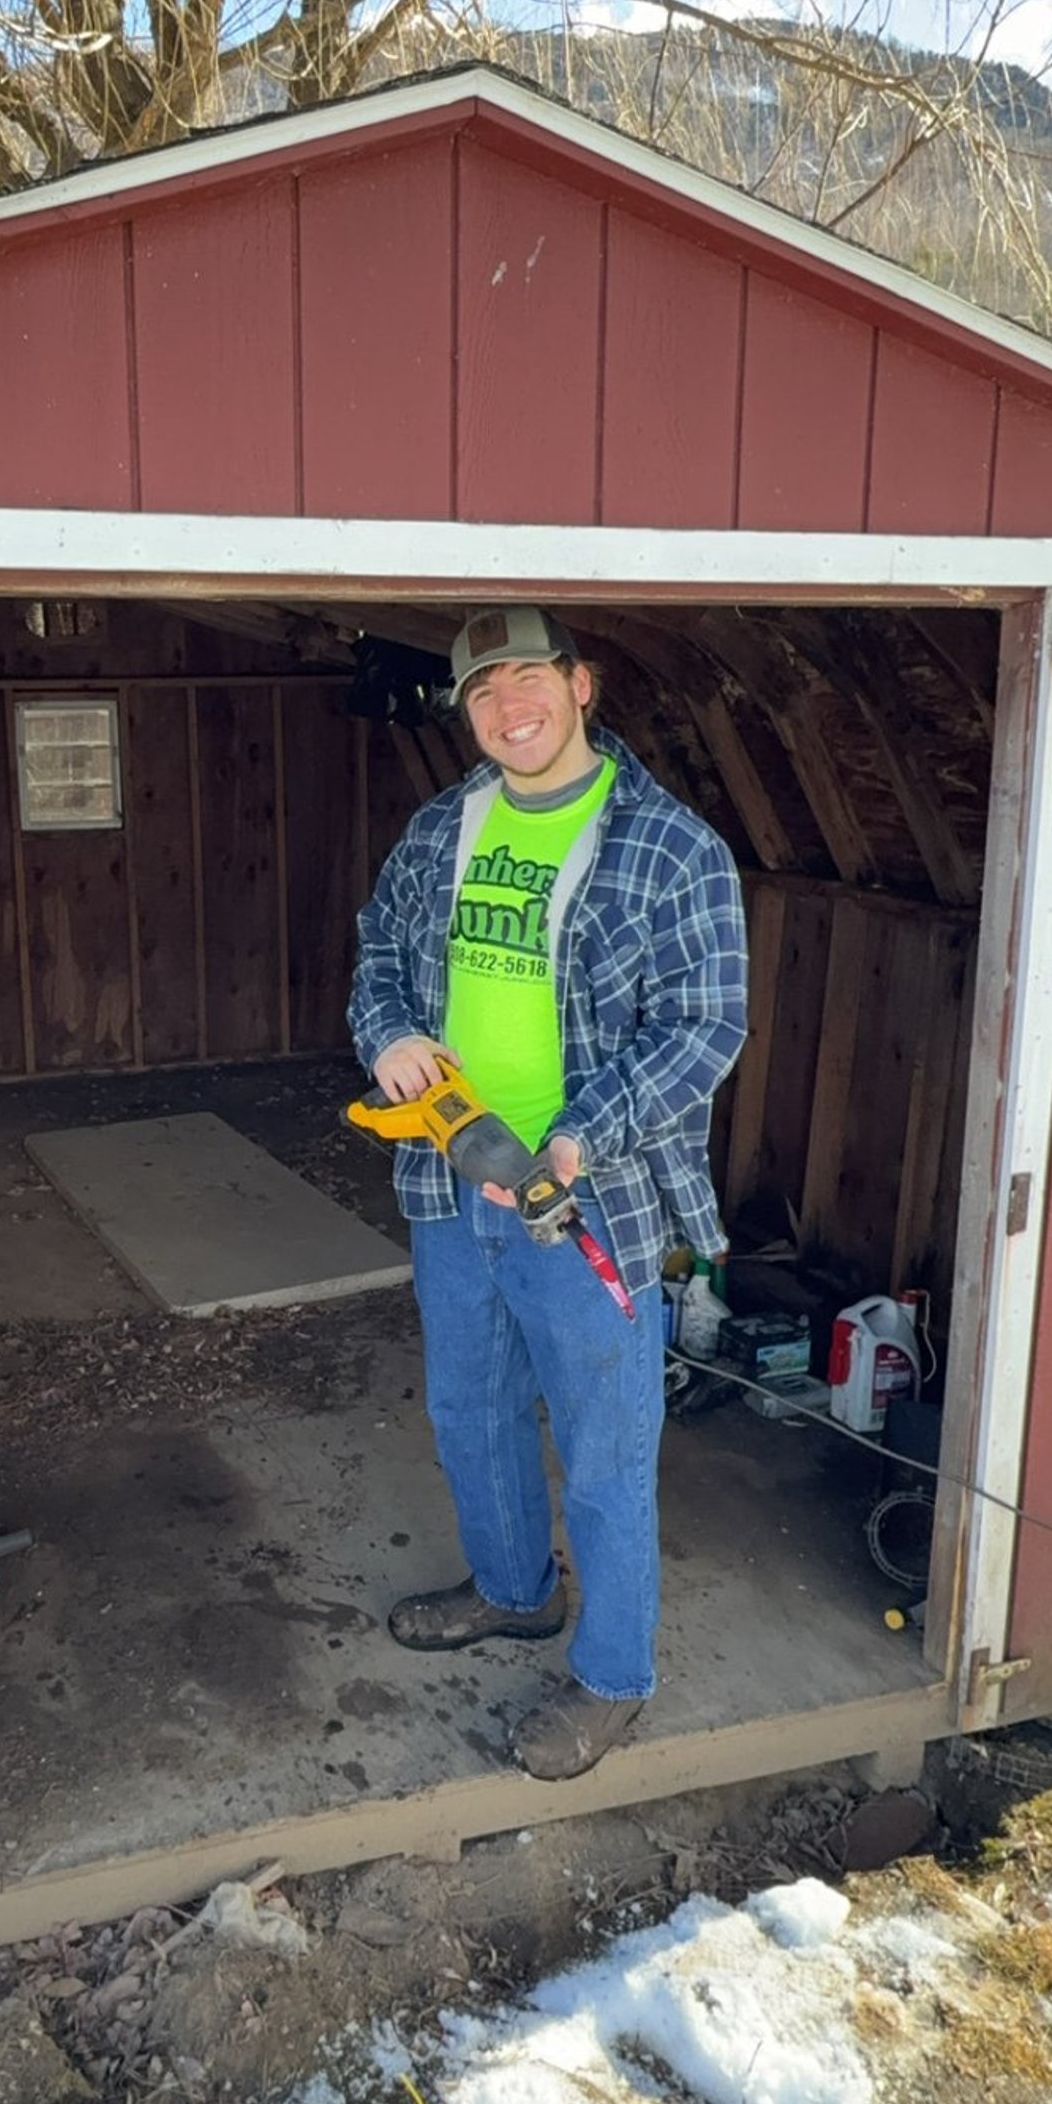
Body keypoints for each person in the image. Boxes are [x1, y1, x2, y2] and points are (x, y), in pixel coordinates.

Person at [348, 606, 749, 1780]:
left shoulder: (673, 848)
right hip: (447, 1173)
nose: (505, 706)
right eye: (481, 692)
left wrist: (584, 1134)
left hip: (591, 1202)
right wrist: (390, 1035)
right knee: (468, 1411)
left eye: (527, 678)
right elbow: (378, 947)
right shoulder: (444, 826)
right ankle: (515, 1591)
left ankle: (613, 1674)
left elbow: (705, 1022)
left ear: (582, 684)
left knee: (605, 1448)